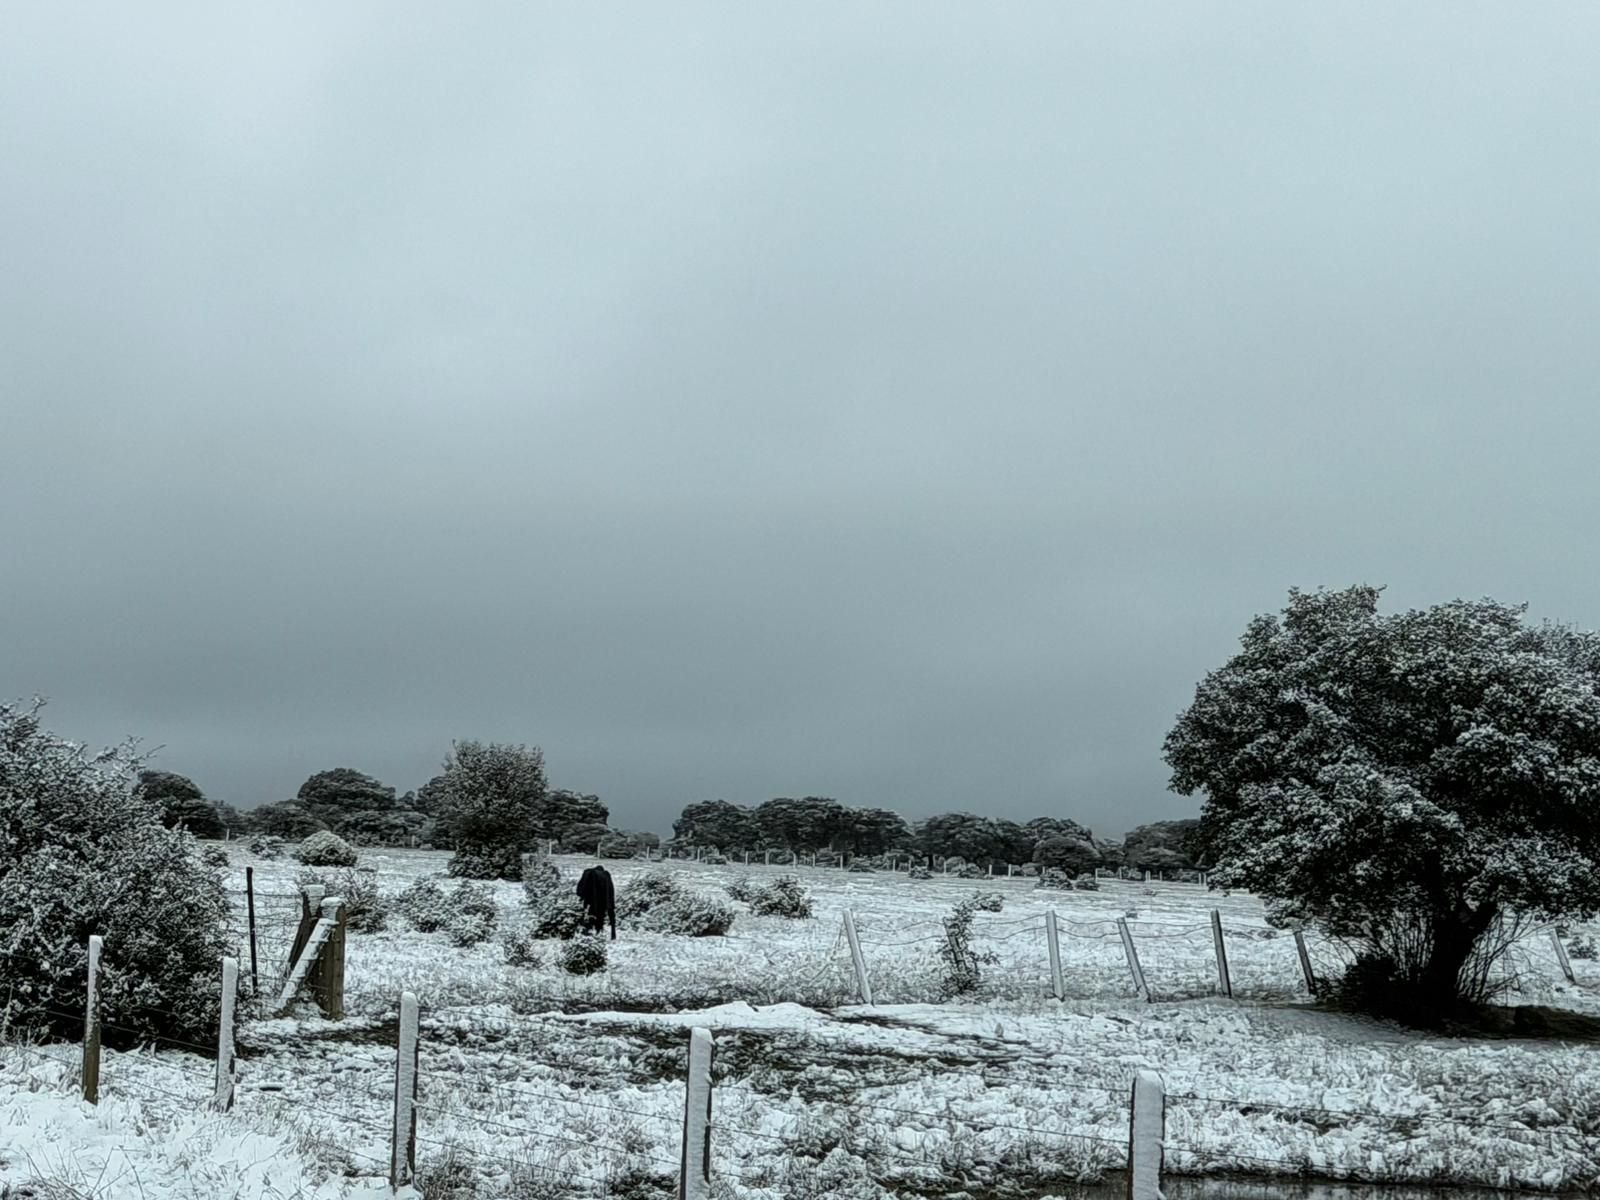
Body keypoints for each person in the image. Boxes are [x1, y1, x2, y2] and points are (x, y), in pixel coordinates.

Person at [576, 863, 616, 939]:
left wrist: (581, 896)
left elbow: (580, 887)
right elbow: (610, 891)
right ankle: (599, 932)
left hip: (590, 898)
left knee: (590, 914)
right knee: (600, 916)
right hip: (603, 899)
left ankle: (588, 931)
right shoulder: (606, 875)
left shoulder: (588, 873)